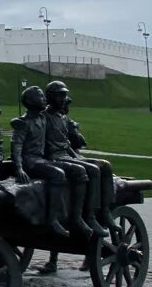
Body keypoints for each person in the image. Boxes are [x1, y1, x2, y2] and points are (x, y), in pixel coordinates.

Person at [11, 85, 85, 237]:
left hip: (41, 160)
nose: (45, 99)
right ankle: (53, 219)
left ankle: (72, 216)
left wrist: (65, 102)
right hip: (31, 162)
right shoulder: (24, 123)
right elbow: (16, 147)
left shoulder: (42, 117)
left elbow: (58, 112)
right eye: (41, 97)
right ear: (30, 102)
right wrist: (19, 168)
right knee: (58, 174)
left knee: (66, 171)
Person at [43, 81, 109, 238]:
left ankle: (102, 213)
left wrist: (79, 157)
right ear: (51, 97)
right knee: (90, 170)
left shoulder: (62, 117)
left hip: (65, 155)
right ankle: (80, 217)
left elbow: (66, 144)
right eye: (61, 95)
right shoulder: (44, 117)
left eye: (65, 95)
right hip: (53, 157)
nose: (64, 99)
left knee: (104, 165)